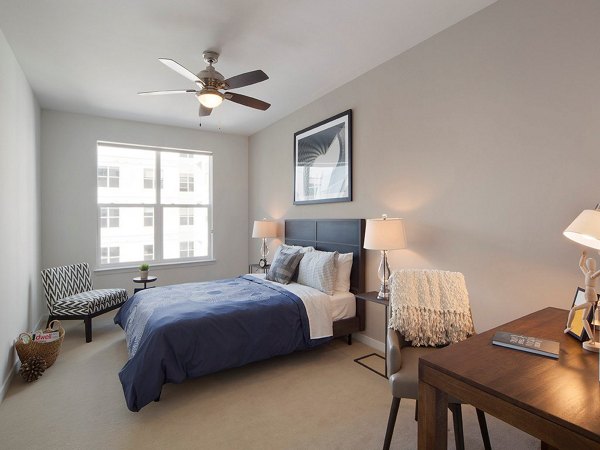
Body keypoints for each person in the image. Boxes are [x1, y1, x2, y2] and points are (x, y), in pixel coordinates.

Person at [564, 251, 600, 340]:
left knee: (574, 309)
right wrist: (583, 256)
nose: (590, 265)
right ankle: (591, 338)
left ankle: (569, 326)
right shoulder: (588, 274)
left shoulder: (591, 275)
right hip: (589, 298)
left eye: (590, 264)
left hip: (591, 299)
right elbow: (581, 265)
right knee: (584, 319)